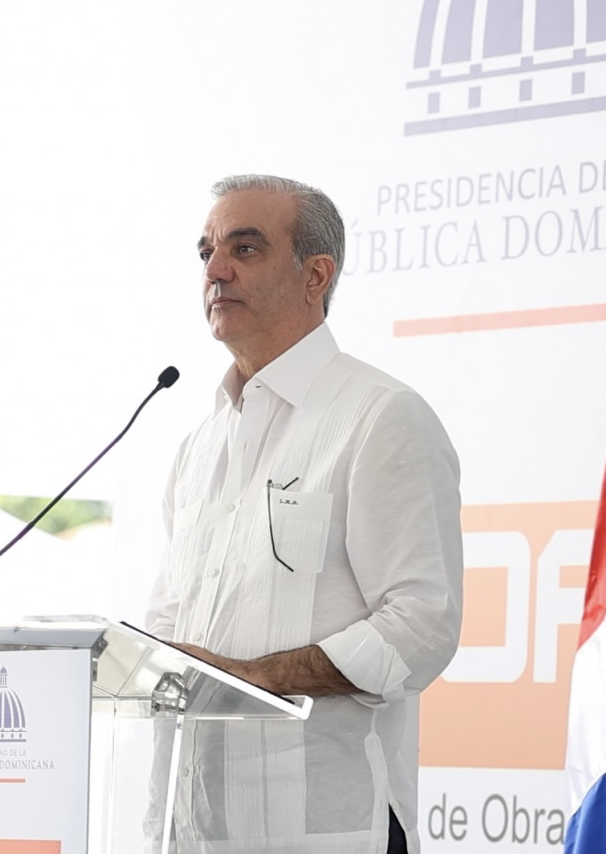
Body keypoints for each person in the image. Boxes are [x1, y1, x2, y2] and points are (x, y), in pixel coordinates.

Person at [145, 174, 464, 853]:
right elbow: (166, 634)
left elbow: (421, 624)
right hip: (196, 834)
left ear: (316, 274)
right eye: (205, 251)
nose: (215, 270)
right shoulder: (197, 448)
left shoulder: (381, 417)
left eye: (245, 248)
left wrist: (258, 678)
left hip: (327, 832)